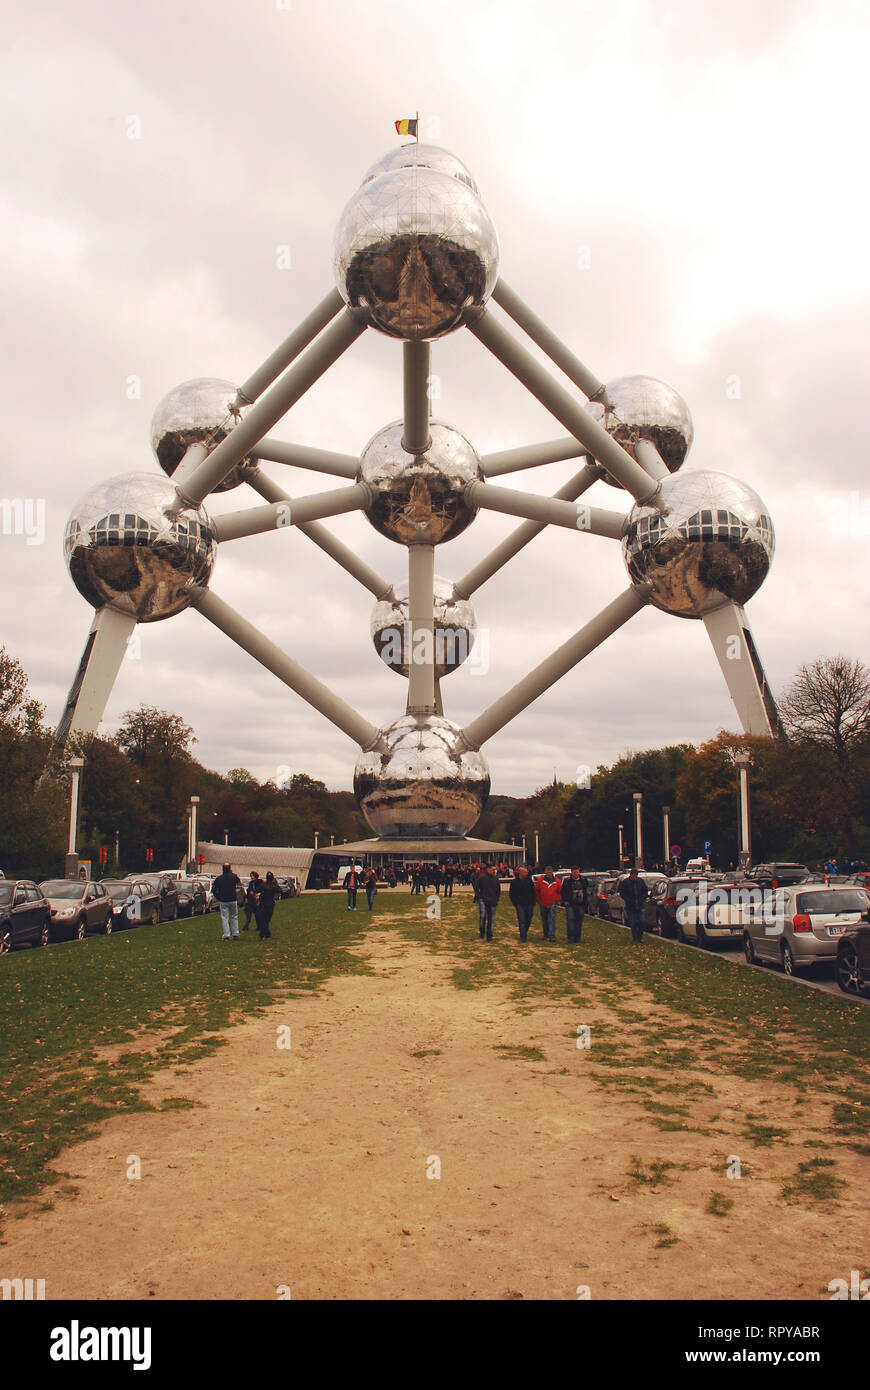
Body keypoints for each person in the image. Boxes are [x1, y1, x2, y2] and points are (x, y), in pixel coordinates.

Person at [212, 862, 242, 940]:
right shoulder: (234, 877)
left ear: (222, 869)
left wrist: (219, 897)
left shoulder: (219, 878)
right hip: (233, 899)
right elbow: (239, 886)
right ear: (230, 868)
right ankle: (235, 933)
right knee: (234, 916)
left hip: (223, 900)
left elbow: (214, 890)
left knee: (225, 917)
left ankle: (226, 934)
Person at [619, 868, 649, 943]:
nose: (634, 878)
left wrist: (643, 898)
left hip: (640, 905)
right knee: (633, 923)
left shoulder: (640, 882)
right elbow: (622, 893)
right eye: (633, 876)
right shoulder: (625, 882)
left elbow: (645, 891)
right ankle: (635, 938)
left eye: (636, 876)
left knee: (641, 922)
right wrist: (628, 900)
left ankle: (640, 936)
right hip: (630, 906)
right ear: (630, 875)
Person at [509, 866, 536, 941]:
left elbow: (533, 892)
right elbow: (512, 893)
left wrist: (534, 901)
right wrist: (515, 902)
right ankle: (523, 936)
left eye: (527, 872)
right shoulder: (514, 882)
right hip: (520, 904)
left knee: (528, 918)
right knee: (522, 919)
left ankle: (525, 931)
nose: (526, 873)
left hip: (529, 903)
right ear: (520, 873)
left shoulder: (529, 881)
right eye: (525, 872)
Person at [561, 867, 588, 942]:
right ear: (571, 872)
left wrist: (585, 901)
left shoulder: (583, 880)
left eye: (577, 872)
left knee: (579, 921)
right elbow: (563, 891)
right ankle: (570, 938)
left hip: (580, 904)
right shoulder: (567, 881)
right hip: (570, 904)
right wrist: (565, 901)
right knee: (570, 920)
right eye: (574, 872)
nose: (576, 873)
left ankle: (577, 937)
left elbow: (586, 890)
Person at [474, 864, 501, 940]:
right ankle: (482, 932)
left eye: (495, 870)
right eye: (493, 870)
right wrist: (479, 897)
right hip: (483, 900)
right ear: (488, 869)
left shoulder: (496, 879)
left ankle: (490, 935)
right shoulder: (482, 878)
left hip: (492, 901)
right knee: (483, 916)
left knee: (491, 919)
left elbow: (498, 890)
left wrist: (496, 899)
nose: (494, 871)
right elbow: (476, 888)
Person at [535, 866, 562, 941]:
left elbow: (560, 891)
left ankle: (551, 936)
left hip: (552, 902)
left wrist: (557, 899)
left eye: (550, 872)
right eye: (547, 872)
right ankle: (545, 934)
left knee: (552, 919)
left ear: (552, 872)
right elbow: (537, 890)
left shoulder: (557, 881)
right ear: (545, 872)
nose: (549, 874)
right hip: (542, 902)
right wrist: (538, 900)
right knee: (544, 919)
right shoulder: (540, 880)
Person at [255, 871, 278, 939]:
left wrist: (261, 893)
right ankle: (265, 934)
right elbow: (280, 890)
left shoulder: (263, 885)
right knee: (267, 920)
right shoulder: (273, 885)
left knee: (263, 920)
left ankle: (264, 934)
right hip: (270, 904)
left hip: (263, 904)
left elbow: (257, 890)